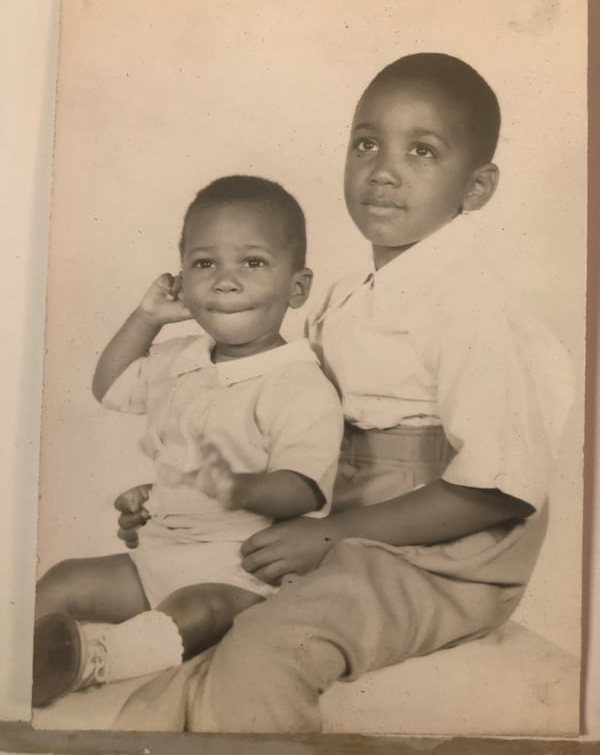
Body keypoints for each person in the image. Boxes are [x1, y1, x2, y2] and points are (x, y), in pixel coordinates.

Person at [113, 53, 574, 733]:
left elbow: (497, 489)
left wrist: (331, 534)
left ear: (476, 188)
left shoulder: (476, 308)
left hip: (445, 556)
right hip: (355, 514)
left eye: (422, 150)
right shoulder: (345, 295)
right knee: (185, 607)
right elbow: (298, 432)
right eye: (366, 143)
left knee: (269, 651)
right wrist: (184, 499)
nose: (383, 169)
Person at [32, 175, 344, 707]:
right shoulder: (181, 358)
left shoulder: (299, 382)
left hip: (238, 570)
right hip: (158, 555)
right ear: (181, 278)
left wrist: (226, 484)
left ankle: (98, 657)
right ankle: (20, 654)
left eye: (253, 263)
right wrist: (146, 319)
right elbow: (108, 387)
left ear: (298, 287)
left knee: (200, 610)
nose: (225, 282)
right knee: (63, 580)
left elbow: (302, 490)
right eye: (205, 264)